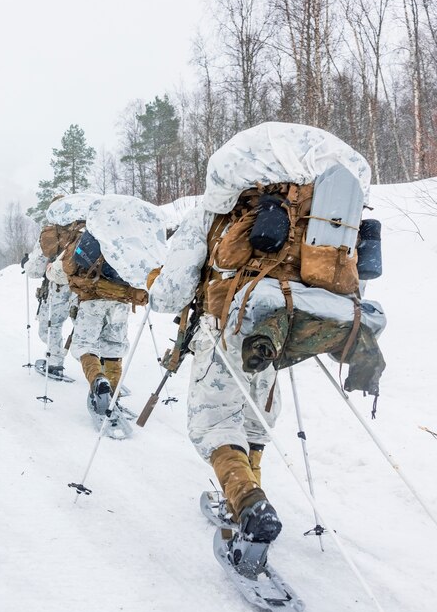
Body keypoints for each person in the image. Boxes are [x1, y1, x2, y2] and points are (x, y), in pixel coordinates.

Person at [151, 122, 386, 560]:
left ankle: (248, 505)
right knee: (257, 418)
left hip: (231, 323)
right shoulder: (330, 217)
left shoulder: (215, 214)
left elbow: (167, 294)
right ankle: (248, 492)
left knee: (215, 423)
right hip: (293, 326)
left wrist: (154, 283)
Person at [62, 195, 165, 433]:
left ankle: (98, 380)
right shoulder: (126, 244)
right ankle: (113, 394)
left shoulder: (90, 239)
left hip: (92, 302)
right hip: (120, 302)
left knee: (85, 346)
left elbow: (65, 269)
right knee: (114, 348)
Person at [23, 194, 97, 379]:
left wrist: (26, 263)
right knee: (84, 327)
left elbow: (33, 269)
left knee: (50, 326)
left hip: (57, 288)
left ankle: (54, 363)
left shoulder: (52, 234)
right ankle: (100, 368)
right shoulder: (89, 230)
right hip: (84, 287)